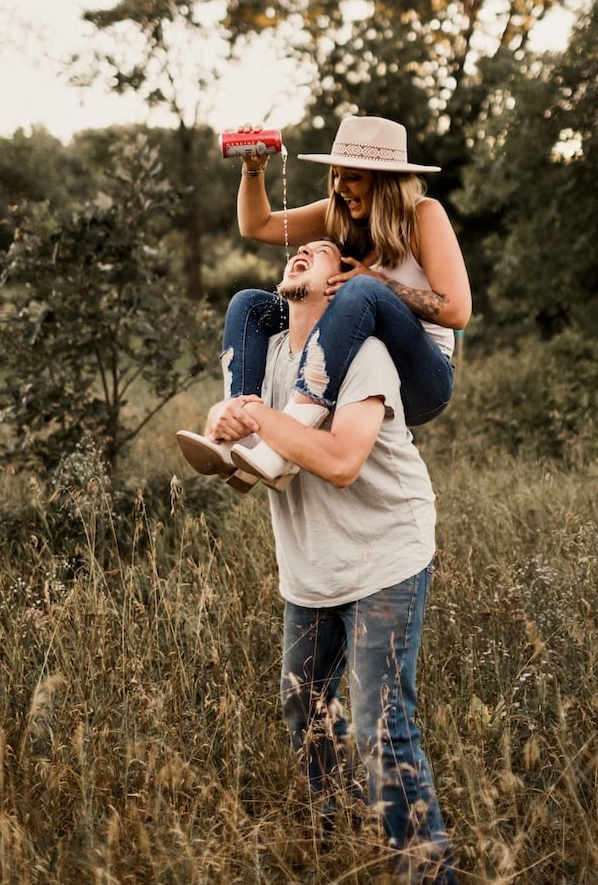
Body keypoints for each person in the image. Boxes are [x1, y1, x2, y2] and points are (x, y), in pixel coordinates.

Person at [180, 239, 459, 884]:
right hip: (312, 569)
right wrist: (229, 418)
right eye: (298, 249)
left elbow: (339, 462)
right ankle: (339, 843)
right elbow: (243, 421)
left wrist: (255, 419)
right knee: (304, 711)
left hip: (386, 554)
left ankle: (427, 875)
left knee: (379, 731)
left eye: (324, 250)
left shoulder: (365, 355)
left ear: (339, 288)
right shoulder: (269, 351)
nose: (304, 249)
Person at [180, 115, 472, 488]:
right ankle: (241, 428)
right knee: (249, 303)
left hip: (423, 377)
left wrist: (377, 281)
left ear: (384, 182)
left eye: (352, 177)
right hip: (358, 354)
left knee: (360, 291)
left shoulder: (422, 216)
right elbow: (257, 225)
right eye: (335, 175)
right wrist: (253, 171)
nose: (339, 187)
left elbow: (457, 311)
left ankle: (289, 435)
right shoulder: (340, 214)